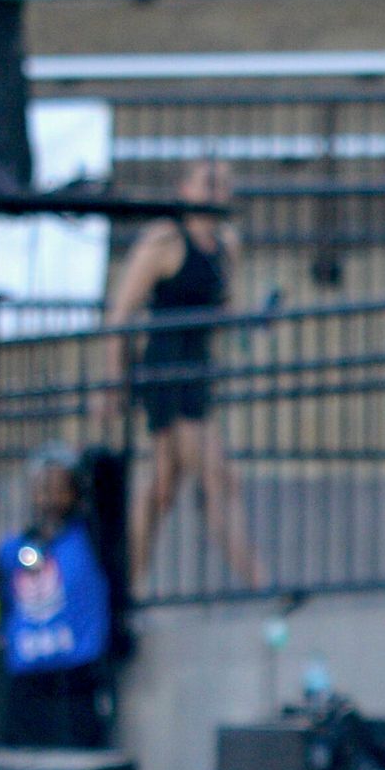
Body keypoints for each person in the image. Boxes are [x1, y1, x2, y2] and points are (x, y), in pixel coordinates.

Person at [106, 158, 255, 587]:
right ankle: (260, 583)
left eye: (223, 184)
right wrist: (112, 383)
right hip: (166, 374)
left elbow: (223, 309)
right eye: (207, 183)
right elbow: (121, 314)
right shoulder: (164, 240)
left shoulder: (227, 243)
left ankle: (124, 586)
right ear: (185, 189)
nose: (215, 192)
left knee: (164, 486)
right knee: (218, 477)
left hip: (197, 370)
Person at [0, 448, 118, 750]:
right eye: (42, 487)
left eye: (58, 486)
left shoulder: (89, 539)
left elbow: (110, 488)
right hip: (27, 681)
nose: (49, 496)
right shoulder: (15, 548)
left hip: (76, 678)